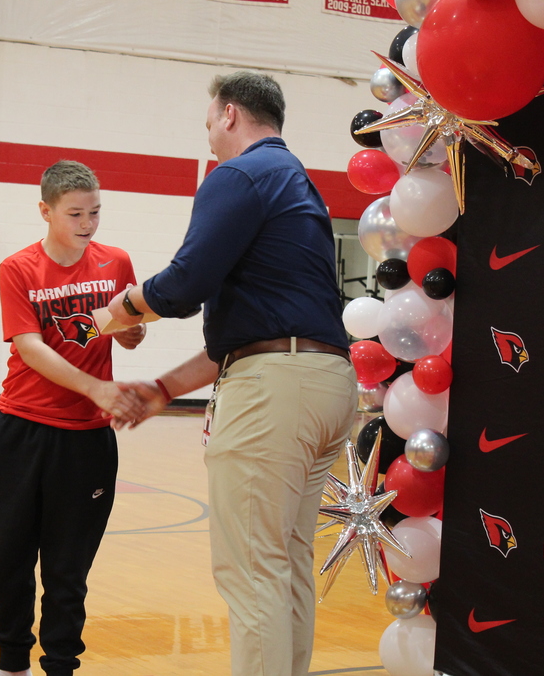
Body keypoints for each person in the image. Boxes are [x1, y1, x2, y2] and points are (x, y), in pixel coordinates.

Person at [106, 71, 358, 676]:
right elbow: (248, 337)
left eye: (208, 127)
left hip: (280, 390)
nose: (209, 143)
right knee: (285, 564)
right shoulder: (295, 182)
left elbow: (184, 285)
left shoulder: (240, 175)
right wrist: (164, 388)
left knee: (251, 571)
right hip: (325, 384)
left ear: (228, 115)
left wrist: (119, 309)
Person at [0, 160, 146, 676]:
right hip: (20, 432)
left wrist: (130, 333)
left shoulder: (115, 262)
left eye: (95, 212)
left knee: (68, 569)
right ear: (45, 211)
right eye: (75, 213)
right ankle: (11, 666)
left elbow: (126, 327)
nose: (87, 223)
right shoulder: (19, 268)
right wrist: (97, 386)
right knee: (8, 563)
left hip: (87, 442)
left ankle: (59, 668)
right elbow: (29, 348)